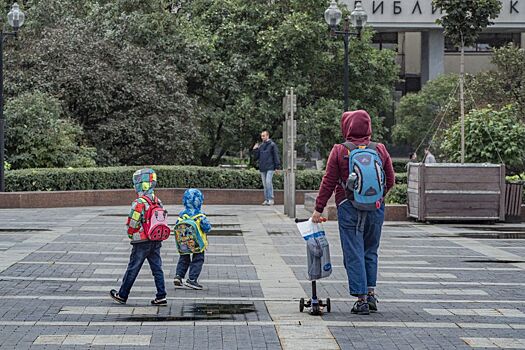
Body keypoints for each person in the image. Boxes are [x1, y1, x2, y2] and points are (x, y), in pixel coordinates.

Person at [311, 110, 395, 315]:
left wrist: (318, 209)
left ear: (346, 126)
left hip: (348, 207)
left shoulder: (340, 150)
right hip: (376, 207)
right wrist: (376, 197)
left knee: (353, 252)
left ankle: (361, 299)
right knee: (370, 250)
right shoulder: (380, 149)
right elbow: (391, 180)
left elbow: (329, 182)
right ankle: (371, 293)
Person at [110, 168, 167, 306]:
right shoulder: (158, 201)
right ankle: (161, 296)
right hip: (155, 238)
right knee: (157, 268)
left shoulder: (139, 202)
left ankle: (122, 295)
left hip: (141, 240)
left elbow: (133, 222)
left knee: (133, 268)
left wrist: (131, 233)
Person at [173, 188, 212, 290]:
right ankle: (192, 279)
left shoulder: (182, 214)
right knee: (198, 259)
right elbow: (207, 228)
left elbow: (177, 225)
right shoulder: (200, 216)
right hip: (197, 243)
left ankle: (179, 276)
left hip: (184, 242)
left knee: (184, 258)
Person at [252, 130, 281, 205]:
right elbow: (256, 157)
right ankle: (266, 199)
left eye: (264, 136)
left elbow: (276, 156)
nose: (262, 137)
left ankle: (271, 199)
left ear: (268, 136)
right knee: (265, 184)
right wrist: (255, 149)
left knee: (268, 182)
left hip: (270, 167)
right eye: (262, 136)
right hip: (262, 167)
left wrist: (277, 167)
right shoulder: (261, 145)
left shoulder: (272, 145)